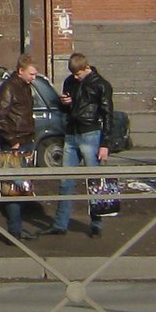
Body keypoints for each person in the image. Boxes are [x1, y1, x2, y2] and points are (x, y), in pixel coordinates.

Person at [53, 53, 116, 238]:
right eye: (73, 74)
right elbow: (65, 108)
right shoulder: (70, 82)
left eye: (78, 74)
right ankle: (60, 224)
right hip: (72, 132)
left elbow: (108, 115)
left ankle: (96, 223)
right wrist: (64, 103)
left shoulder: (101, 85)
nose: (75, 77)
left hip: (91, 133)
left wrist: (105, 144)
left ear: (86, 68)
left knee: (94, 181)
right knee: (66, 180)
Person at [0, 56, 51, 238]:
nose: (34, 77)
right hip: (15, 142)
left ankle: (17, 228)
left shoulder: (25, 87)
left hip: (25, 139)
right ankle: (15, 230)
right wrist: (12, 140)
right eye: (31, 74)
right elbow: (0, 116)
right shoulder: (9, 87)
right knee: (14, 187)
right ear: (21, 71)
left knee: (23, 185)